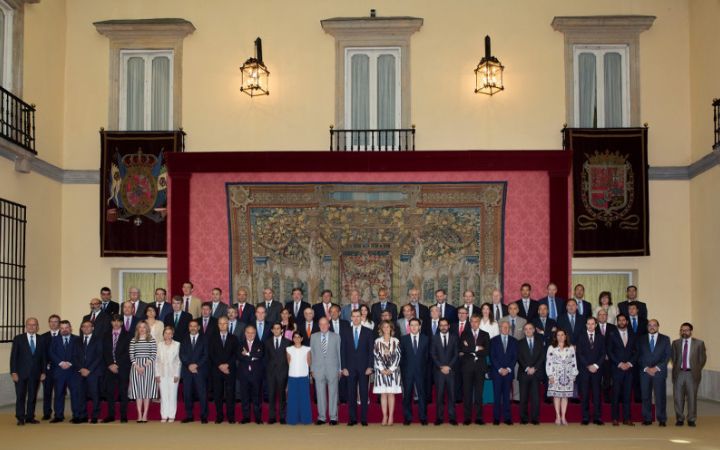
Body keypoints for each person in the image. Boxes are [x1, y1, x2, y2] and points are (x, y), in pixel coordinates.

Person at [10, 317, 45, 426]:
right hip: (20, 374)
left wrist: (43, 372)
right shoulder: (18, 339)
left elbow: (44, 357)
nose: (31, 327)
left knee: (32, 396)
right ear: (26, 326)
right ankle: (20, 417)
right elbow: (13, 357)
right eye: (29, 325)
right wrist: (13, 372)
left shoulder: (41, 339)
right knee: (20, 395)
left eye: (34, 325)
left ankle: (30, 417)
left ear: (37, 327)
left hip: (35, 374)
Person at [341, 309, 374, 426]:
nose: (355, 318)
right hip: (349, 368)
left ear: (361, 317)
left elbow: (371, 351)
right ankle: (352, 418)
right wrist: (343, 367)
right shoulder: (345, 331)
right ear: (351, 318)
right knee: (351, 393)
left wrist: (370, 366)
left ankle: (364, 418)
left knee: (364, 393)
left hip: (364, 368)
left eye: (358, 316)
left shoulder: (368, 332)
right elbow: (342, 351)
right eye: (353, 316)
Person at [672, 322, 706, 427]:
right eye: (682, 330)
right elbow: (674, 358)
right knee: (678, 397)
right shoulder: (675, 343)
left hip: (692, 374)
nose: (684, 332)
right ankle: (680, 418)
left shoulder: (699, 343)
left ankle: (691, 419)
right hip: (679, 373)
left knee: (692, 397)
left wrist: (695, 369)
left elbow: (702, 359)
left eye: (686, 330)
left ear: (691, 331)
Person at [637, 319, 671, 427]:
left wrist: (656, 368)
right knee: (645, 396)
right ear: (647, 327)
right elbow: (638, 356)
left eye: (654, 325)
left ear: (658, 326)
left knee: (660, 396)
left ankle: (662, 419)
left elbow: (667, 356)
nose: (652, 327)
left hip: (659, 372)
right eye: (650, 325)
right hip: (645, 372)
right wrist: (647, 368)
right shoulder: (641, 339)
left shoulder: (665, 339)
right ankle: (647, 418)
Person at [310, 317, 342, 425]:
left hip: (333, 368)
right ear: (319, 325)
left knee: (333, 393)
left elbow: (339, 354)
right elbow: (312, 354)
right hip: (318, 369)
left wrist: (340, 369)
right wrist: (312, 369)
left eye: (325, 324)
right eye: (321, 324)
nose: (323, 326)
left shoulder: (336, 337)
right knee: (320, 393)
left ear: (329, 325)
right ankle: (322, 417)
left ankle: (333, 417)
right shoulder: (313, 337)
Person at [607, 313, 637, 426]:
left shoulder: (633, 334)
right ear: (617, 322)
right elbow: (610, 351)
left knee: (627, 394)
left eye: (623, 320)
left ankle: (627, 418)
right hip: (616, 368)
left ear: (627, 322)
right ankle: (615, 418)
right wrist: (619, 363)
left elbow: (636, 351)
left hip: (629, 369)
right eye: (619, 320)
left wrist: (629, 363)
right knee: (615, 394)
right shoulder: (612, 334)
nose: (621, 322)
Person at [460, 314, 490, 425]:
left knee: (478, 394)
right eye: (472, 321)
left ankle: (479, 417)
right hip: (467, 367)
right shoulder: (464, 333)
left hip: (480, 367)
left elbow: (487, 351)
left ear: (479, 322)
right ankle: (467, 417)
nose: (474, 323)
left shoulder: (485, 335)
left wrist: (470, 348)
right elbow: (462, 348)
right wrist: (477, 347)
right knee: (467, 393)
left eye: (476, 321)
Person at [576, 317, 606, 425]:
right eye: (588, 324)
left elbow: (603, 354)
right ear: (586, 325)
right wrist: (588, 365)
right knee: (585, 394)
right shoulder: (581, 337)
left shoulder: (601, 337)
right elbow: (579, 354)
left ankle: (597, 417)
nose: (590, 326)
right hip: (585, 369)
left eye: (592, 324)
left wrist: (596, 365)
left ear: (596, 325)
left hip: (597, 370)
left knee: (597, 394)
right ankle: (585, 417)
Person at [209, 316, 239, 423]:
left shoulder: (234, 338)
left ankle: (231, 417)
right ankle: (219, 416)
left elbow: (236, 354)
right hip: (217, 370)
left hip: (230, 369)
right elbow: (211, 354)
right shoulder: (212, 338)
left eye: (224, 323)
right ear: (218, 325)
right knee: (218, 394)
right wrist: (220, 366)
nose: (222, 325)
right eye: (220, 323)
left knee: (230, 394)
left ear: (228, 324)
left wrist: (227, 365)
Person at [399, 318, 429, 425]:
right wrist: (404, 370)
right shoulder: (403, 339)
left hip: (421, 372)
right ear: (409, 327)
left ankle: (423, 417)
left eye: (416, 325)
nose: (414, 327)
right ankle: (407, 417)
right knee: (407, 395)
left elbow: (427, 357)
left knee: (422, 395)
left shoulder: (425, 339)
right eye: (412, 325)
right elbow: (401, 357)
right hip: (407, 372)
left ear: (420, 326)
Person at [49, 320, 79, 423]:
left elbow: (79, 354)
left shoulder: (77, 339)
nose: (64, 330)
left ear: (70, 328)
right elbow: (51, 353)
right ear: (59, 329)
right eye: (62, 328)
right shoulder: (54, 340)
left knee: (75, 394)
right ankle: (58, 415)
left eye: (66, 327)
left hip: (73, 371)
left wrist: (70, 363)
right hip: (59, 371)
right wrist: (61, 363)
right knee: (58, 394)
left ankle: (76, 415)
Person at [546, 329, 578, 425]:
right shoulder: (551, 348)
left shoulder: (571, 348)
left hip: (567, 375)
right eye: (558, 335)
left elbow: (573, 362)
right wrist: (550, 375)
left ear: (565, 336)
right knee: (556, 396)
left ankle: (563, 417)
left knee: (565, 396)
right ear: (555, 337)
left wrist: (574, 373)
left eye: (562, 335)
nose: (560, 337)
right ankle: (557, 416)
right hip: (555, 374)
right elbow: (549, 362)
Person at [179, 320, 209, 423]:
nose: (193, 328)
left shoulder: (205, 339)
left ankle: (204, 416)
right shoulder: (184, 338)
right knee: (187, 394)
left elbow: (206, 355)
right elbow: (181, 354)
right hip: (187, 371)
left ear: (199, 327)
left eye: (195, 326)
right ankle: (189, 415)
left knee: (202, 394)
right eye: (191, 326)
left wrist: (196, 365)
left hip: (200, 370)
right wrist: (189, 365)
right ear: (188, 328)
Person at [103, 314, 131, 423]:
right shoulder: (105, 335)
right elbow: (104, 351)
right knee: (109, 392)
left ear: (122, 323)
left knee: (123, 392)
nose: (116, 323)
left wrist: (117, 364)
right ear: (111, 323)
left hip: (122, 367)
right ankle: (111, 415)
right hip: (109, 368)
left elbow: (127, 352)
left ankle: (123, 416)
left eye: (118, 321)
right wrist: (110, 364)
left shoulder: (128, 335)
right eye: (114, 321)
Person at [74, 319, 103, 423]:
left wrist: (89, 369)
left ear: (92, 328)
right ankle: (83, 415)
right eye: (84, 326)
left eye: (88, 326)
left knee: (95, 394)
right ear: (81, 328)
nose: (86, 328)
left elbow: (99, 356)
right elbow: (74, 357)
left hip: (93, 372)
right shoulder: (77, 340)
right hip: (80, 372)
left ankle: (95, 416)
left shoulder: (98, 339)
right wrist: (81, 368)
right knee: (81, 394)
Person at [373, 320, 402, 426]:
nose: (386, 329)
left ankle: (391, 416)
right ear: (381, 329)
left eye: (388, 327)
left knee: (391, 394)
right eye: (384, 327)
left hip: (392, 372)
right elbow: (376, 356)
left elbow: (398, 356)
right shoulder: (377, 341)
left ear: (391, 328)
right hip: (381, 373)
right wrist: (382, 369)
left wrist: (391, 369)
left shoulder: (396, 341)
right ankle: (384, 415)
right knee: (383, 394)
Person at [129, 321, 157, 422]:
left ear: (147, 329)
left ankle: (145, 414)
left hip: (148, 367)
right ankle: (139, 414)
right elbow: (131, 355)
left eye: (144, 327)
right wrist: (137, 366)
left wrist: (144, 366)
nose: (142, 329)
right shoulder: (133, 340)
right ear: (137, 329)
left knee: (146, 392)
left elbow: (153, 354)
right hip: (136, 367)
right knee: (138, 392)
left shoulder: (152, 340)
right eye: (140, 327)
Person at [431, 318, 458, 425]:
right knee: (440, 395)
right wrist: (441, 367)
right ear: (438, 326)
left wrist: (449, 366)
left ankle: (452, 417)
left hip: (451, 371)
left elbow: (456, 354)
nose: (443, 327)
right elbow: (433, 354)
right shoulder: (434, 338)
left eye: (445, 325)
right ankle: (439, 418)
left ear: (449, 326)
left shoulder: (454, 338)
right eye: (441, 325)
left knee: (452, 395)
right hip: (439, 371)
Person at [517, 323, 545, 425]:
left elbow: (542, 357)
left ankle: (535, 418)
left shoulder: (539, 342)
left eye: (530, 329)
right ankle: (523, 418)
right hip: (524, 373)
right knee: (523, 397)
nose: (528, 331)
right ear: (524, 331)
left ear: (534, 330)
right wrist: (527, 368)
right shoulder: (519, 343)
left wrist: (535, 368)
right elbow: (519, 357)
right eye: (526, 329)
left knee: (535, 398)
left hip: (536, 373)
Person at [490, 320, 517, 425]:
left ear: (509, 329)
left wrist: (508, 369)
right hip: (497, 372)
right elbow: (493, 357)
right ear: (500, 328)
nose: (505, 329)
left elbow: (515, 357)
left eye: (507, 327)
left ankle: (507, 418)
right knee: (496, 396)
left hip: (508, 373)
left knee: (507, 396)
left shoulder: (514, 341)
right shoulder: (493, 340)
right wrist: (500, 369)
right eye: (503, 327)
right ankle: (496, 418)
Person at [238, 324, 264, 423]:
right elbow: (239, 356)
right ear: (245, 333)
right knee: (244, 397)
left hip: (256, 374)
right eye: (248, 332)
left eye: (252, 333)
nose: (250, 334)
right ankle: (246, 417)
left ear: (255, 333)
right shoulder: (240, 344)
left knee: (257, 396)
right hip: (244, 374)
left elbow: (260, 355)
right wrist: (252, 356)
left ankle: (258, 418)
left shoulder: (260, 344)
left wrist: (247, 354)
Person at [266, 322, 291, 424]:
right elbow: (266, 358)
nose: (276, 330)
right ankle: (271, 416)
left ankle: (282, 416)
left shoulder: (288, 342)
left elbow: (289, 359)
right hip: (271, 373)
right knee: (271, 395)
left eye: (278, 328)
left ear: (282, 330)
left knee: (282, 396)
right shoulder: (267, 342)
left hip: (283, 372)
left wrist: (288, 372)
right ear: (272, 330)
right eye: (274, 328)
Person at [155, 325, 181, 422]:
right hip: (161, 373)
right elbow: (156, 360)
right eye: (166, 333)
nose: (168, 335)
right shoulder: (159, 345)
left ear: (172, 335)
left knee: (173, 395)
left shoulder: (177, 344)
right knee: (163, 395)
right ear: (163, 334)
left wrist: (177, 374)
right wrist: (157, 373)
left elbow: (178, 361)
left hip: (173, 373)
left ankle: (171, 415)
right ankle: (164, 415)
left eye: (170, 333)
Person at [286, 331, 313, 425]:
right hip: (292, 376)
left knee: (304, 398)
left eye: (298, 337)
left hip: (303, 376)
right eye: (295, 337)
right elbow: (289, 362)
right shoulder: (288, 349)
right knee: (292, 399)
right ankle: (292, 419)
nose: (297, 339)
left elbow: (309, 363)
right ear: (292, 339)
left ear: (302, 339)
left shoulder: (307, 349)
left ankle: (306, 419)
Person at [40, 314, 60, 421]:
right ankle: (47, 412)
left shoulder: (64, 335)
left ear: (59, 323)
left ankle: (58, 413)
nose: (53, 323)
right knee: (47, 392)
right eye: (51, 321)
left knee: (59, 392)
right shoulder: (43, 337)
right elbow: (41, 355)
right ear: (49, 323)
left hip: (60, 370)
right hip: (47, 370)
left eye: (56, 321)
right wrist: (42, 370)